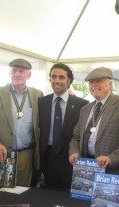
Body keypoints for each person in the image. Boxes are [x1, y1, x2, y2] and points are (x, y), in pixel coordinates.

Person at [0, 58, 44, 186]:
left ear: (29, 75)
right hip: (1, 154)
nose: (17, 74)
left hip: (26, 155)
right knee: (0, 193)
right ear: (9, 73)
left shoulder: (38, 95)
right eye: (14, 70)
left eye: (21, 71)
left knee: (22, 192)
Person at [69, 67, 119, 176]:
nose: (94, 85)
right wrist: (74, 151)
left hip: (112, 172)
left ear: (110, 84)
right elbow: (76, 137)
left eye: (99, 81)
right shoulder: (85, 109)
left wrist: (112, 158)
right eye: (91, 82)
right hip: (86, 170)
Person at [38, 63, 88, 191]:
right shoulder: (42, 102)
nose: (57, 80)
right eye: (54, 77)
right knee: (49, 193)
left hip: (71, 157)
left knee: (70, 193)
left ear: (69, 80)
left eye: (61, 77)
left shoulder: (82, 105)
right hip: (48, 156)